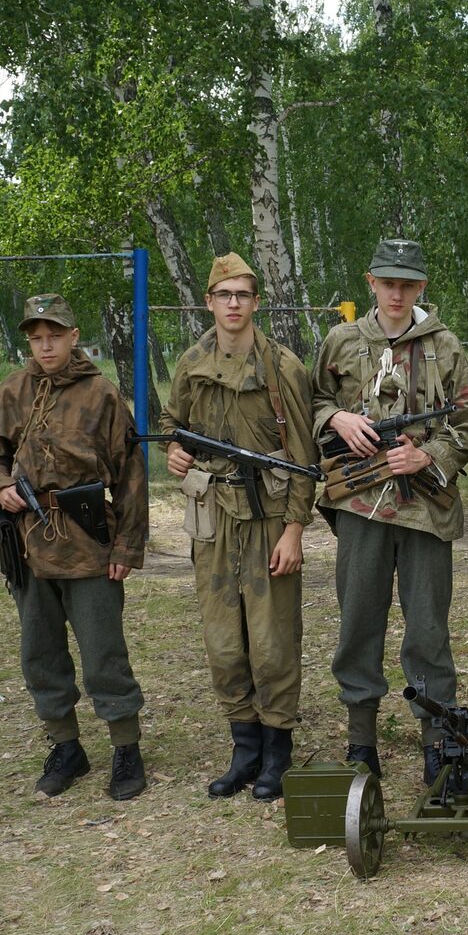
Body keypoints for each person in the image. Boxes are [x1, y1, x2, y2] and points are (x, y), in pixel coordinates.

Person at [311, 238, 468, 782]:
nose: (397, 292)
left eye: (408, 284)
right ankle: (361, 741)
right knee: (358, 622)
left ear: (421, 288)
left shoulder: (446, 346)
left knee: (428, 630)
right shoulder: (340, 341)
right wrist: (337, 420)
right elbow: (312, 402)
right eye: (388, 282)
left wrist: (427, 454)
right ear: (371, 282)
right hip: (360, 504)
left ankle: (437, 739)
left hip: (425, 511)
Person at [0, 293, 150, 801]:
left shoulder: (102, 396)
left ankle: (125, 747)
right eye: (37, 337)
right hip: (28, 542)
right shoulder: (12, 392)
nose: (46, 345)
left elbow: (132, 478)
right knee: (40, 653)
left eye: (55, 335)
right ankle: (66, 745)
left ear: (74, 337)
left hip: (89, 542)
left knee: (103, 654)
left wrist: (125, 548)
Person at [161, 253, 318, 801]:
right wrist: (175, 452)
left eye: (242, 295)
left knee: (273, 642)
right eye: (224, 295)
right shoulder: (190, 362)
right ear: (209, 301)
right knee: (223, 642)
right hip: (211, 520)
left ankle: (277, 749)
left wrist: (295, 529)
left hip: (269, 516)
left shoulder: (283, 367)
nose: (233, 304)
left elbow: (303, 453)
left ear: (255, 303)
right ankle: (243, 749)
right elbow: (170, 423)